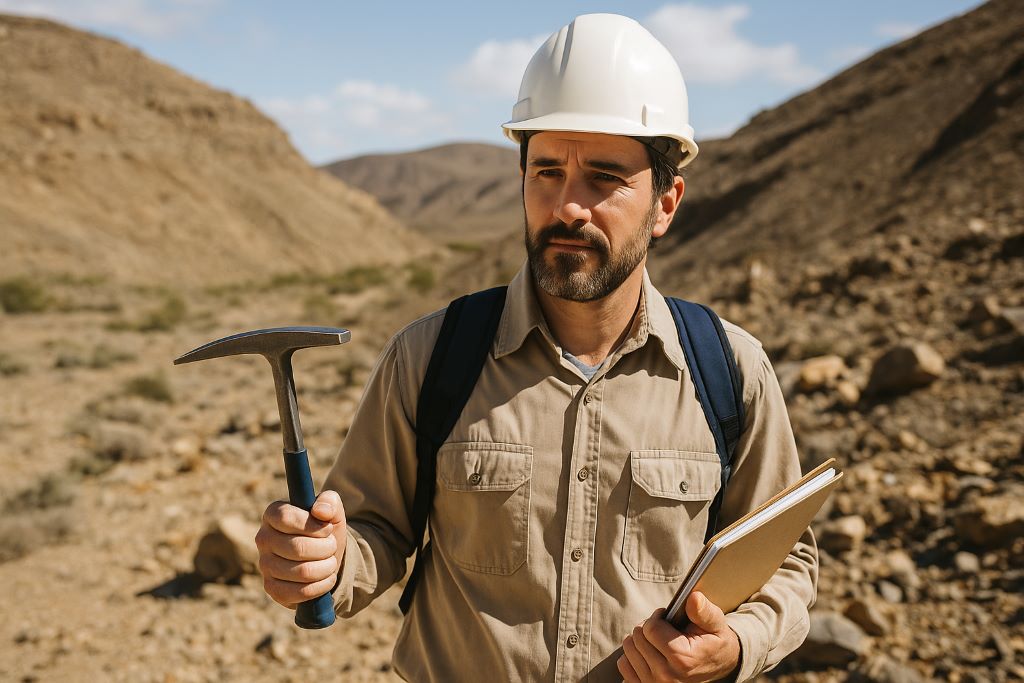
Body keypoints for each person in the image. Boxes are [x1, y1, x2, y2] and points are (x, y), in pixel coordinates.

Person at [255, 13, 817, 682]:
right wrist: (325, 561)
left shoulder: (730, 372)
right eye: (546, 170)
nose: (568, 206)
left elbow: (785, 563)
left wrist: (735, 647)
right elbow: (372, 532)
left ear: (666, 203)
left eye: (604, 178)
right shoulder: (432, 356)